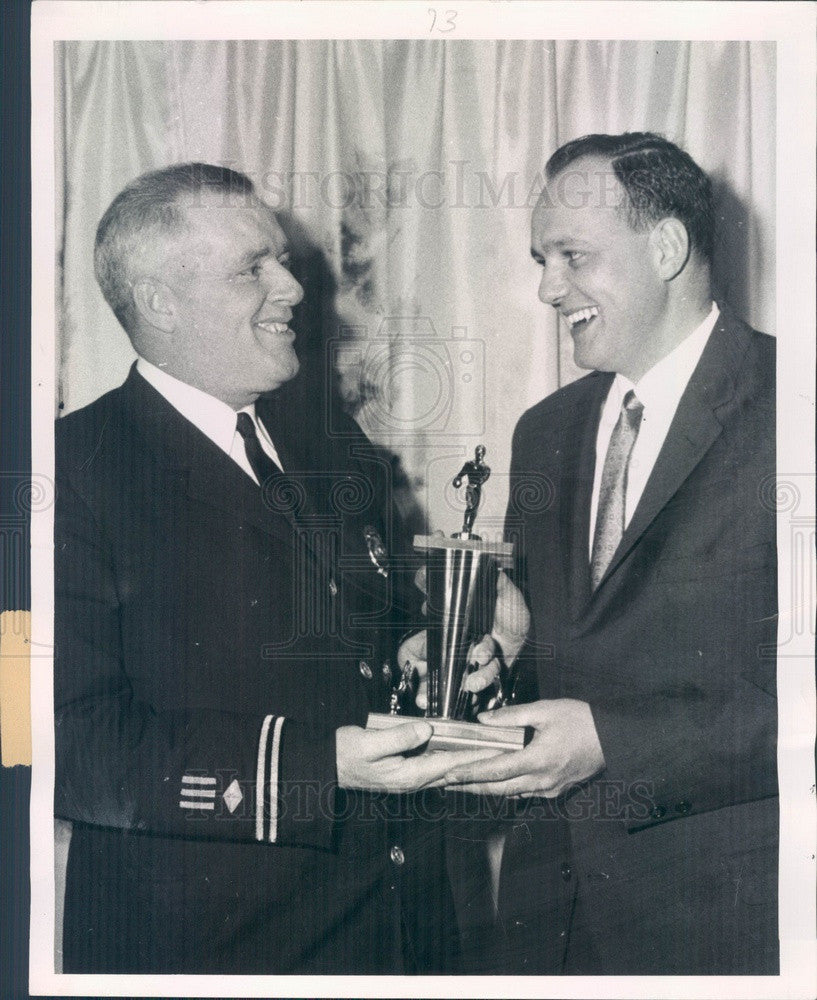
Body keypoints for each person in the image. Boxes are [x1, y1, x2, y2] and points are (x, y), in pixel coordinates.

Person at [53, 162, 489, 974]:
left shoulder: (332, 443)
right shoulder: (64, 476)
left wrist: (424, 651)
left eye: (280, 260)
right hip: (212, 952)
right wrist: (314, 767)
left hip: (398, 932)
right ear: (159, 301)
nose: (291, 287)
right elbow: (58, 744)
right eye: (252, 268)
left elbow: (377, 625)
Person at [444, 133, 778, 974]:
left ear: (665, 247)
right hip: (541, 917)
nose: (547, 288)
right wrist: (499, 660)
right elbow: (571, 653)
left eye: (572, 256)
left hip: (723, 924)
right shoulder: (545, 432)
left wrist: (612, 746)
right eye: (540, 259)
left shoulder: (794, 407)